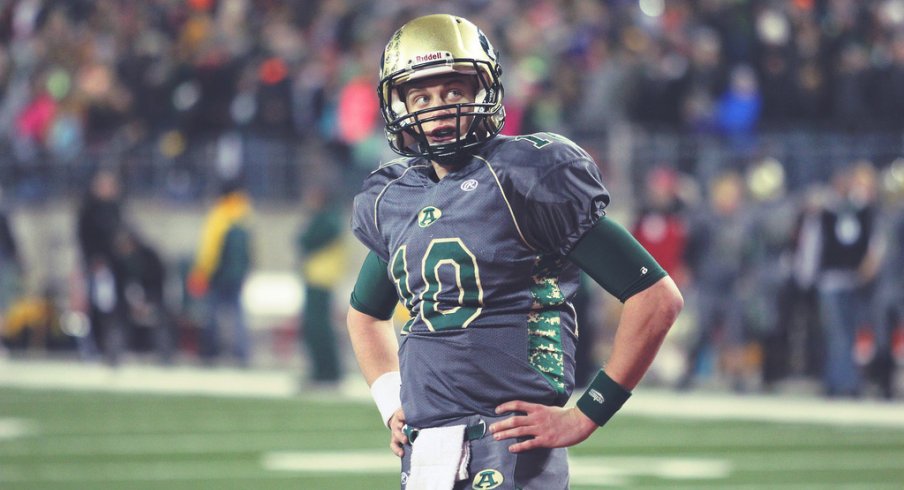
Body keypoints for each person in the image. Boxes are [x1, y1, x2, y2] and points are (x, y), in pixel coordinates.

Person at [346, 14, 683, 490]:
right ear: (397, 104)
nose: (437, 108)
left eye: (452, 92)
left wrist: (588, 412)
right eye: (421, 96)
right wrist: (390, 400)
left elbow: (656, 296)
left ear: (484, 91)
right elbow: (364, 316)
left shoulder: (525, 174)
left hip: (507, 449)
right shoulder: (396, 198)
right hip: (427, 454)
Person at [187, 180, 254, 367]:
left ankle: (209, 351)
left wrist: (201, 272)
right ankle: (242, 352)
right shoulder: (245, 214)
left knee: (212, 312)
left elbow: (209, 249)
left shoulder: (219, 215)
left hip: (219, 273)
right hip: (238, 274)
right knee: (237, 312)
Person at [296, 187, 346, 386]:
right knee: (317, 327)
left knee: (318, 328)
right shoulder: (330, 219)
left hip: (321, 280)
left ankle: (326, 371)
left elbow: (306, 240)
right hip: (319, 279)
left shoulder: (327, 220)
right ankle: (324, 371)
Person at [76, 169, 126, 364]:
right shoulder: (89, 209)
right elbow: (85, 238)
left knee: (112, 308)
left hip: (113, 268)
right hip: (97, 266)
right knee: (95, 307)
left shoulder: (115, 209)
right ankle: (94, 346)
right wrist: (93, 259)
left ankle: (111, 347)